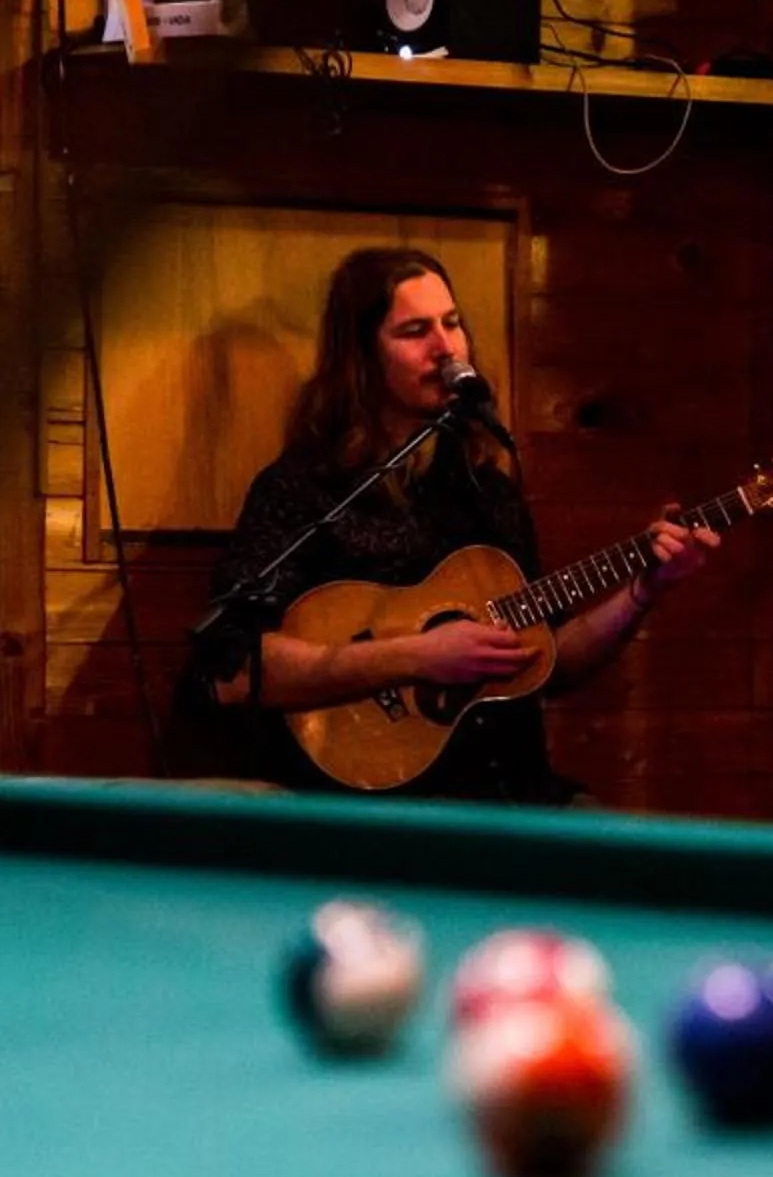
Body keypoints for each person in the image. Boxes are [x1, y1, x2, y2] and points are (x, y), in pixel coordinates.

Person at [191, 246, 719, 801]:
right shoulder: (303, 488)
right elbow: (234, 668)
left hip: (508, 791)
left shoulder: (485, 488)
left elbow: (549, 659)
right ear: (363, 356)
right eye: (415, 330)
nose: (445, 347)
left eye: (452, 323)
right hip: (371, 803)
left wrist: (641, 592)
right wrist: (419, 656)